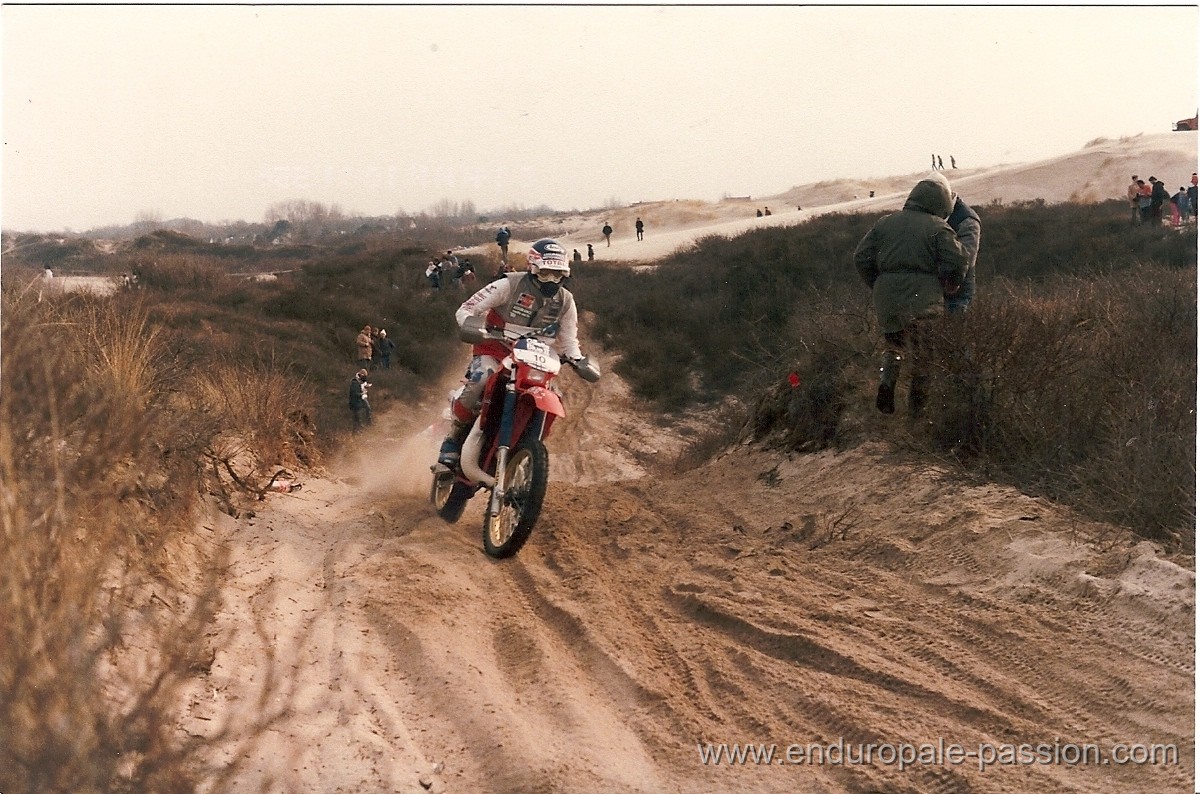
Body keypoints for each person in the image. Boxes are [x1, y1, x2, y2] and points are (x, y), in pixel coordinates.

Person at [437, 238, 586, 467]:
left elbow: (569, 338)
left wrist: (576, 358)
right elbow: (467, 308)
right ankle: (453, 439)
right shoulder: (508, 285)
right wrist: (473, 326)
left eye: (558, 274)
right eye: (546, 273)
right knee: (481, 380)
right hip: (494, 349)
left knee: (556, 397)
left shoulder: (566, 301)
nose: (552, 280)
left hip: (535, 360)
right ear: (533, 267)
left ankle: (525, 449)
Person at [854, 171, 967, 415]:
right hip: (924, 299)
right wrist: (951, 283)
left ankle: (887, 383)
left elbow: (861, 257)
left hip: (888, 298)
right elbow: (957, 260)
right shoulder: (938, 226)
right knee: (923, 356)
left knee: (894, 345)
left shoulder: (884, 222)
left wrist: (878, 284)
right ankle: (917, 412)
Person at [944, 194, 981, 314]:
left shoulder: (967, 220)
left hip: (958, 288)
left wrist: (954, 281)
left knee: (956, 322)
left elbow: (966, 258)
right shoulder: (943, 214)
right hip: (945, 285)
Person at [348, 369, 372, 433]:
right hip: (355, 401)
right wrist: (361, 394)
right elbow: (354, 393)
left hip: (357, 401)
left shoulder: (357, 382)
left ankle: (358, 429)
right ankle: (356, 430)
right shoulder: (355, 383)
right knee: (356, 416)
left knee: (358, 416)